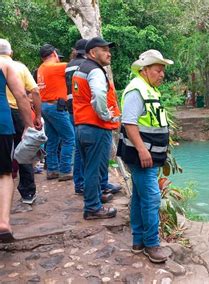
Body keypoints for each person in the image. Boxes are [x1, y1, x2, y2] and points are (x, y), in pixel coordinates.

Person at [118, 49, 173, 263]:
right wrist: (142, 150)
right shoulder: (137, 90)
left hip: (149, 155)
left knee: (140, 197)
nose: (162, 75)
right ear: (145, 70)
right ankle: (152, 244)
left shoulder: (149, 89)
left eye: (162, 71)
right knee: (151, 198)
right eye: (158, 70)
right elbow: (129, 122)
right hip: (142, 155)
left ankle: (138, 241)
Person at [72, 37, 120, 220]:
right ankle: (92, 208)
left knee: (88, 166)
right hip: (96, 126)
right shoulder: (95, 71)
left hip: (82, 125)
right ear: (93, 53)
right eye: (104, 50)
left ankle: (95, 198)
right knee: (94, 168)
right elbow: (99, 93)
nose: (109, 53)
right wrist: (104, 115)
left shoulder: (81, 68)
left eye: (109, 49)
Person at [0, 39, 42, 204]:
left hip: (4, 114)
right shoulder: (18, 67)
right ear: (11, 52)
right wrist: (36, 117)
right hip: (17, 113)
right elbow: (34, 92)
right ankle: (27, 193)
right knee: (24, 151)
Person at [0, 43, 34, 241]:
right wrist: (28, 126)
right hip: (2, 125)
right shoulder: (6, 64)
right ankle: (3, 223)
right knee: (4, 174)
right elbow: (21, 95)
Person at [37, 44, 75, 181]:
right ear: (54, 53)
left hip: (45, 106)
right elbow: (75, 66)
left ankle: (52, 169)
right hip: (55, 107)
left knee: (52, 139)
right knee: (69, 138)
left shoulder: (41, 69)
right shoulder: (57, 67)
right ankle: (65, 170)